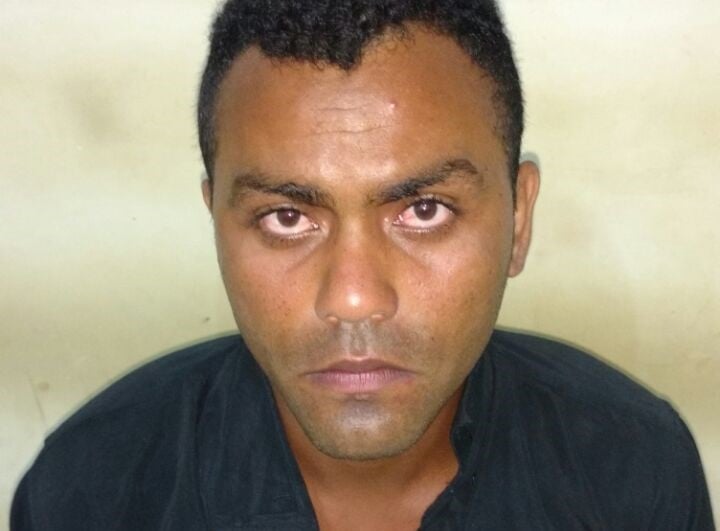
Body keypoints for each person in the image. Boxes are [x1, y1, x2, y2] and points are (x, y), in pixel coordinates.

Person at [11, 1, 715, 529]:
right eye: (287, 217)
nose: (353, 298)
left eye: (425, 210)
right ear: (216, 223)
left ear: (519, 219)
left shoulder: (633, 470)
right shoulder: (87, 492)